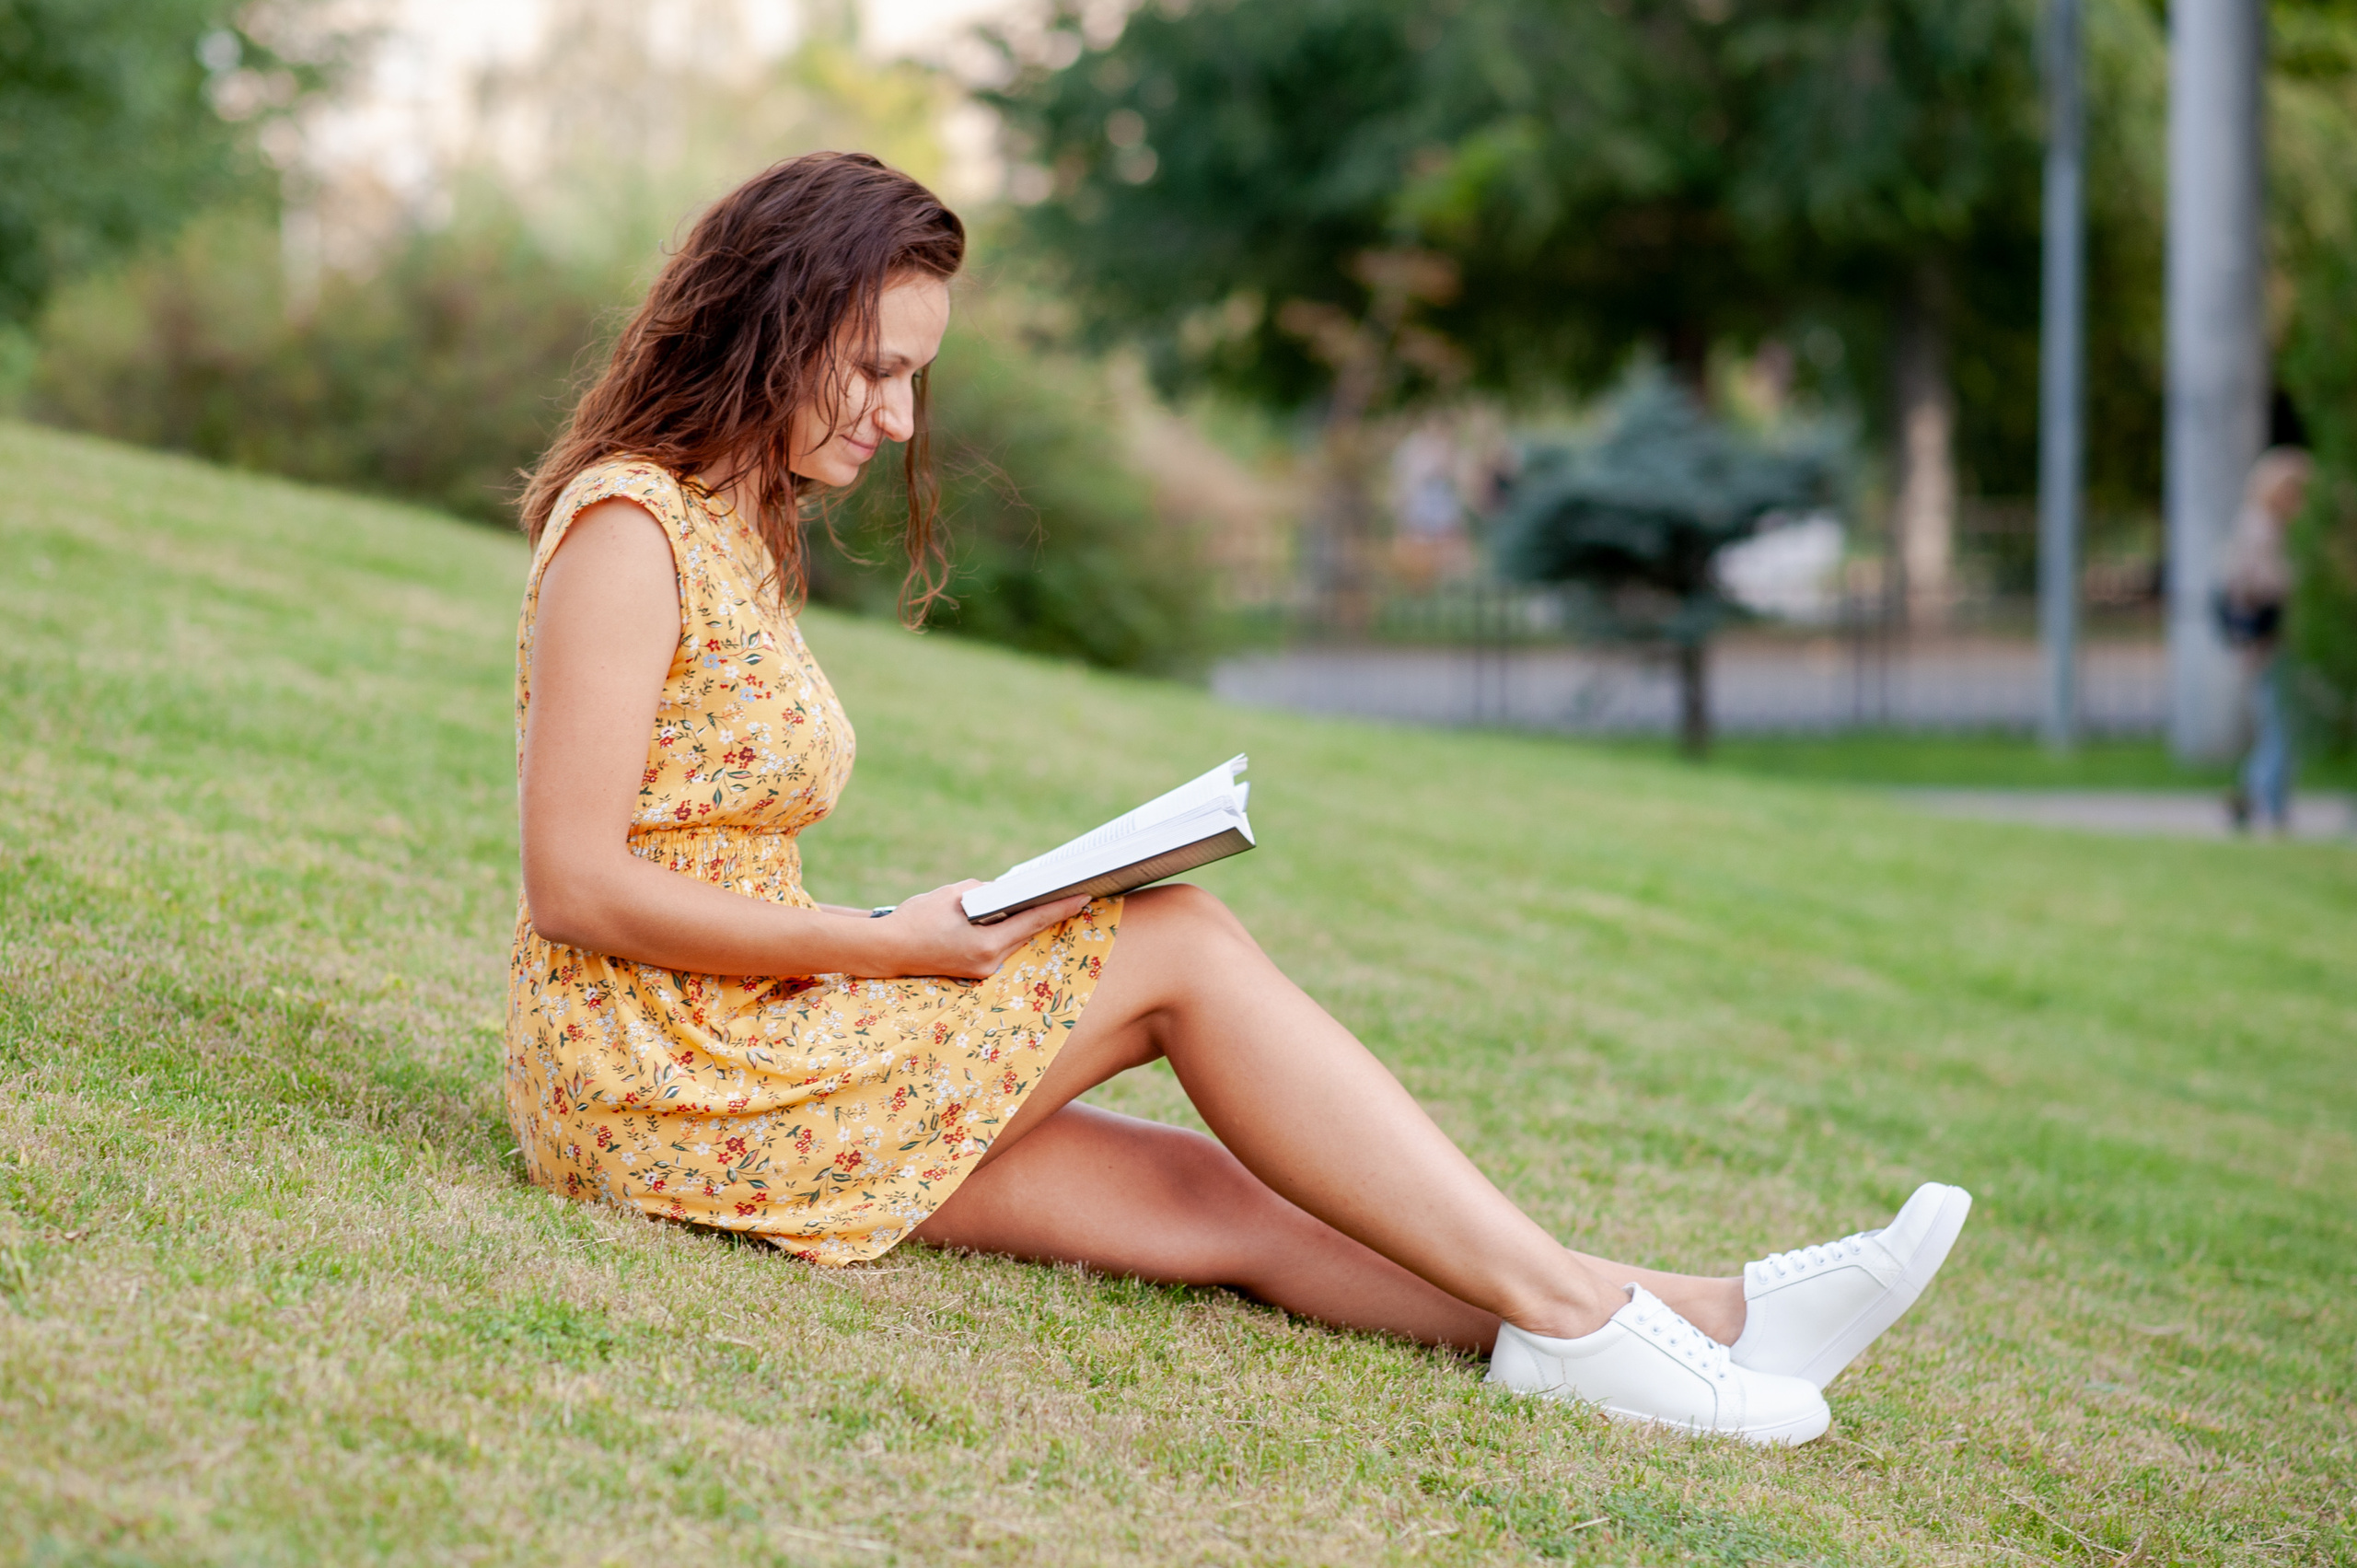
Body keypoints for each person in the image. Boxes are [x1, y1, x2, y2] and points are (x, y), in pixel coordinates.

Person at [505, 152, 1973, 1446]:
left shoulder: (737, 525)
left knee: (1217, 1201)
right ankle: (1606, 1326)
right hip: (661, 1073)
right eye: (876, 368)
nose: (898, 419)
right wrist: (893, 940)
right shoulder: (633, 528)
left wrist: (914, 926)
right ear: (772, 320)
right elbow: (574, 883)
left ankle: (1698, 1321)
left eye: (914, 379)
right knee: (1180, 942)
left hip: (747, 1039)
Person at [2217, 448, 2312, 833]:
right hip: (2268, 640)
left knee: (2279, 722)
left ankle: (2256, 795)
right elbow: (2264, 582)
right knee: (2280, 722)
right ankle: (2267, 802)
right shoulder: (2261, 528)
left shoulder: (2275, 527)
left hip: (2274, 640)